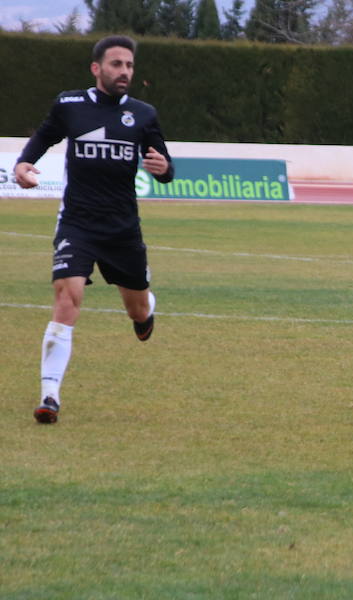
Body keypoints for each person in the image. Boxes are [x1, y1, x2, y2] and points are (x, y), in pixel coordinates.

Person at [14, 35, 174, 424]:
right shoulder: (70, 105)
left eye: (130, 66)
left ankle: (145, 311)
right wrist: (23, 164)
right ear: (96, 68)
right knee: (67, 297)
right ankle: (49, 395)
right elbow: (43, 136)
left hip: (122, 229)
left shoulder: (144, 114)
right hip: (78, 223)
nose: (125, 72)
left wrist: (164, 169)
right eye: (117, 64)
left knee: (136, 308)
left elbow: (165, 166)